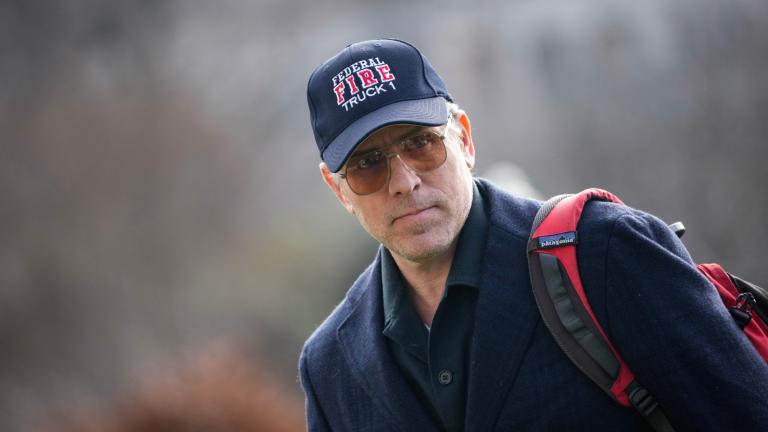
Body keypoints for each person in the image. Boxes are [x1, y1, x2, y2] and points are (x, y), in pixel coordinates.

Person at [298, 39, 768, 431]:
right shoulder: (328, 366)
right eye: (367, 164)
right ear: (337, 189)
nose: (404, 180)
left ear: (463, 139)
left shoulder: (607, 253)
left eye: (420, 143)